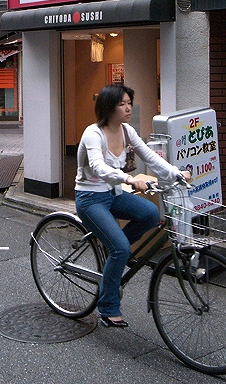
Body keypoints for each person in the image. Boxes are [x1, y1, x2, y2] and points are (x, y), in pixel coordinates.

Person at [75, 84, 190, 328]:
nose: (128, 108)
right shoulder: (93, 134)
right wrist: (129, 179)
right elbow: (97, 166)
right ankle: (107, 308)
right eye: (122, 104)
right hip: (90, 198)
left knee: (150, 214)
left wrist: (176, 173)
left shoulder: (127, 131)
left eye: (129, 103)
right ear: (108, 107)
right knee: (120, 248)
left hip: (114, 194)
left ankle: (117, 253)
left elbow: (149, 155)